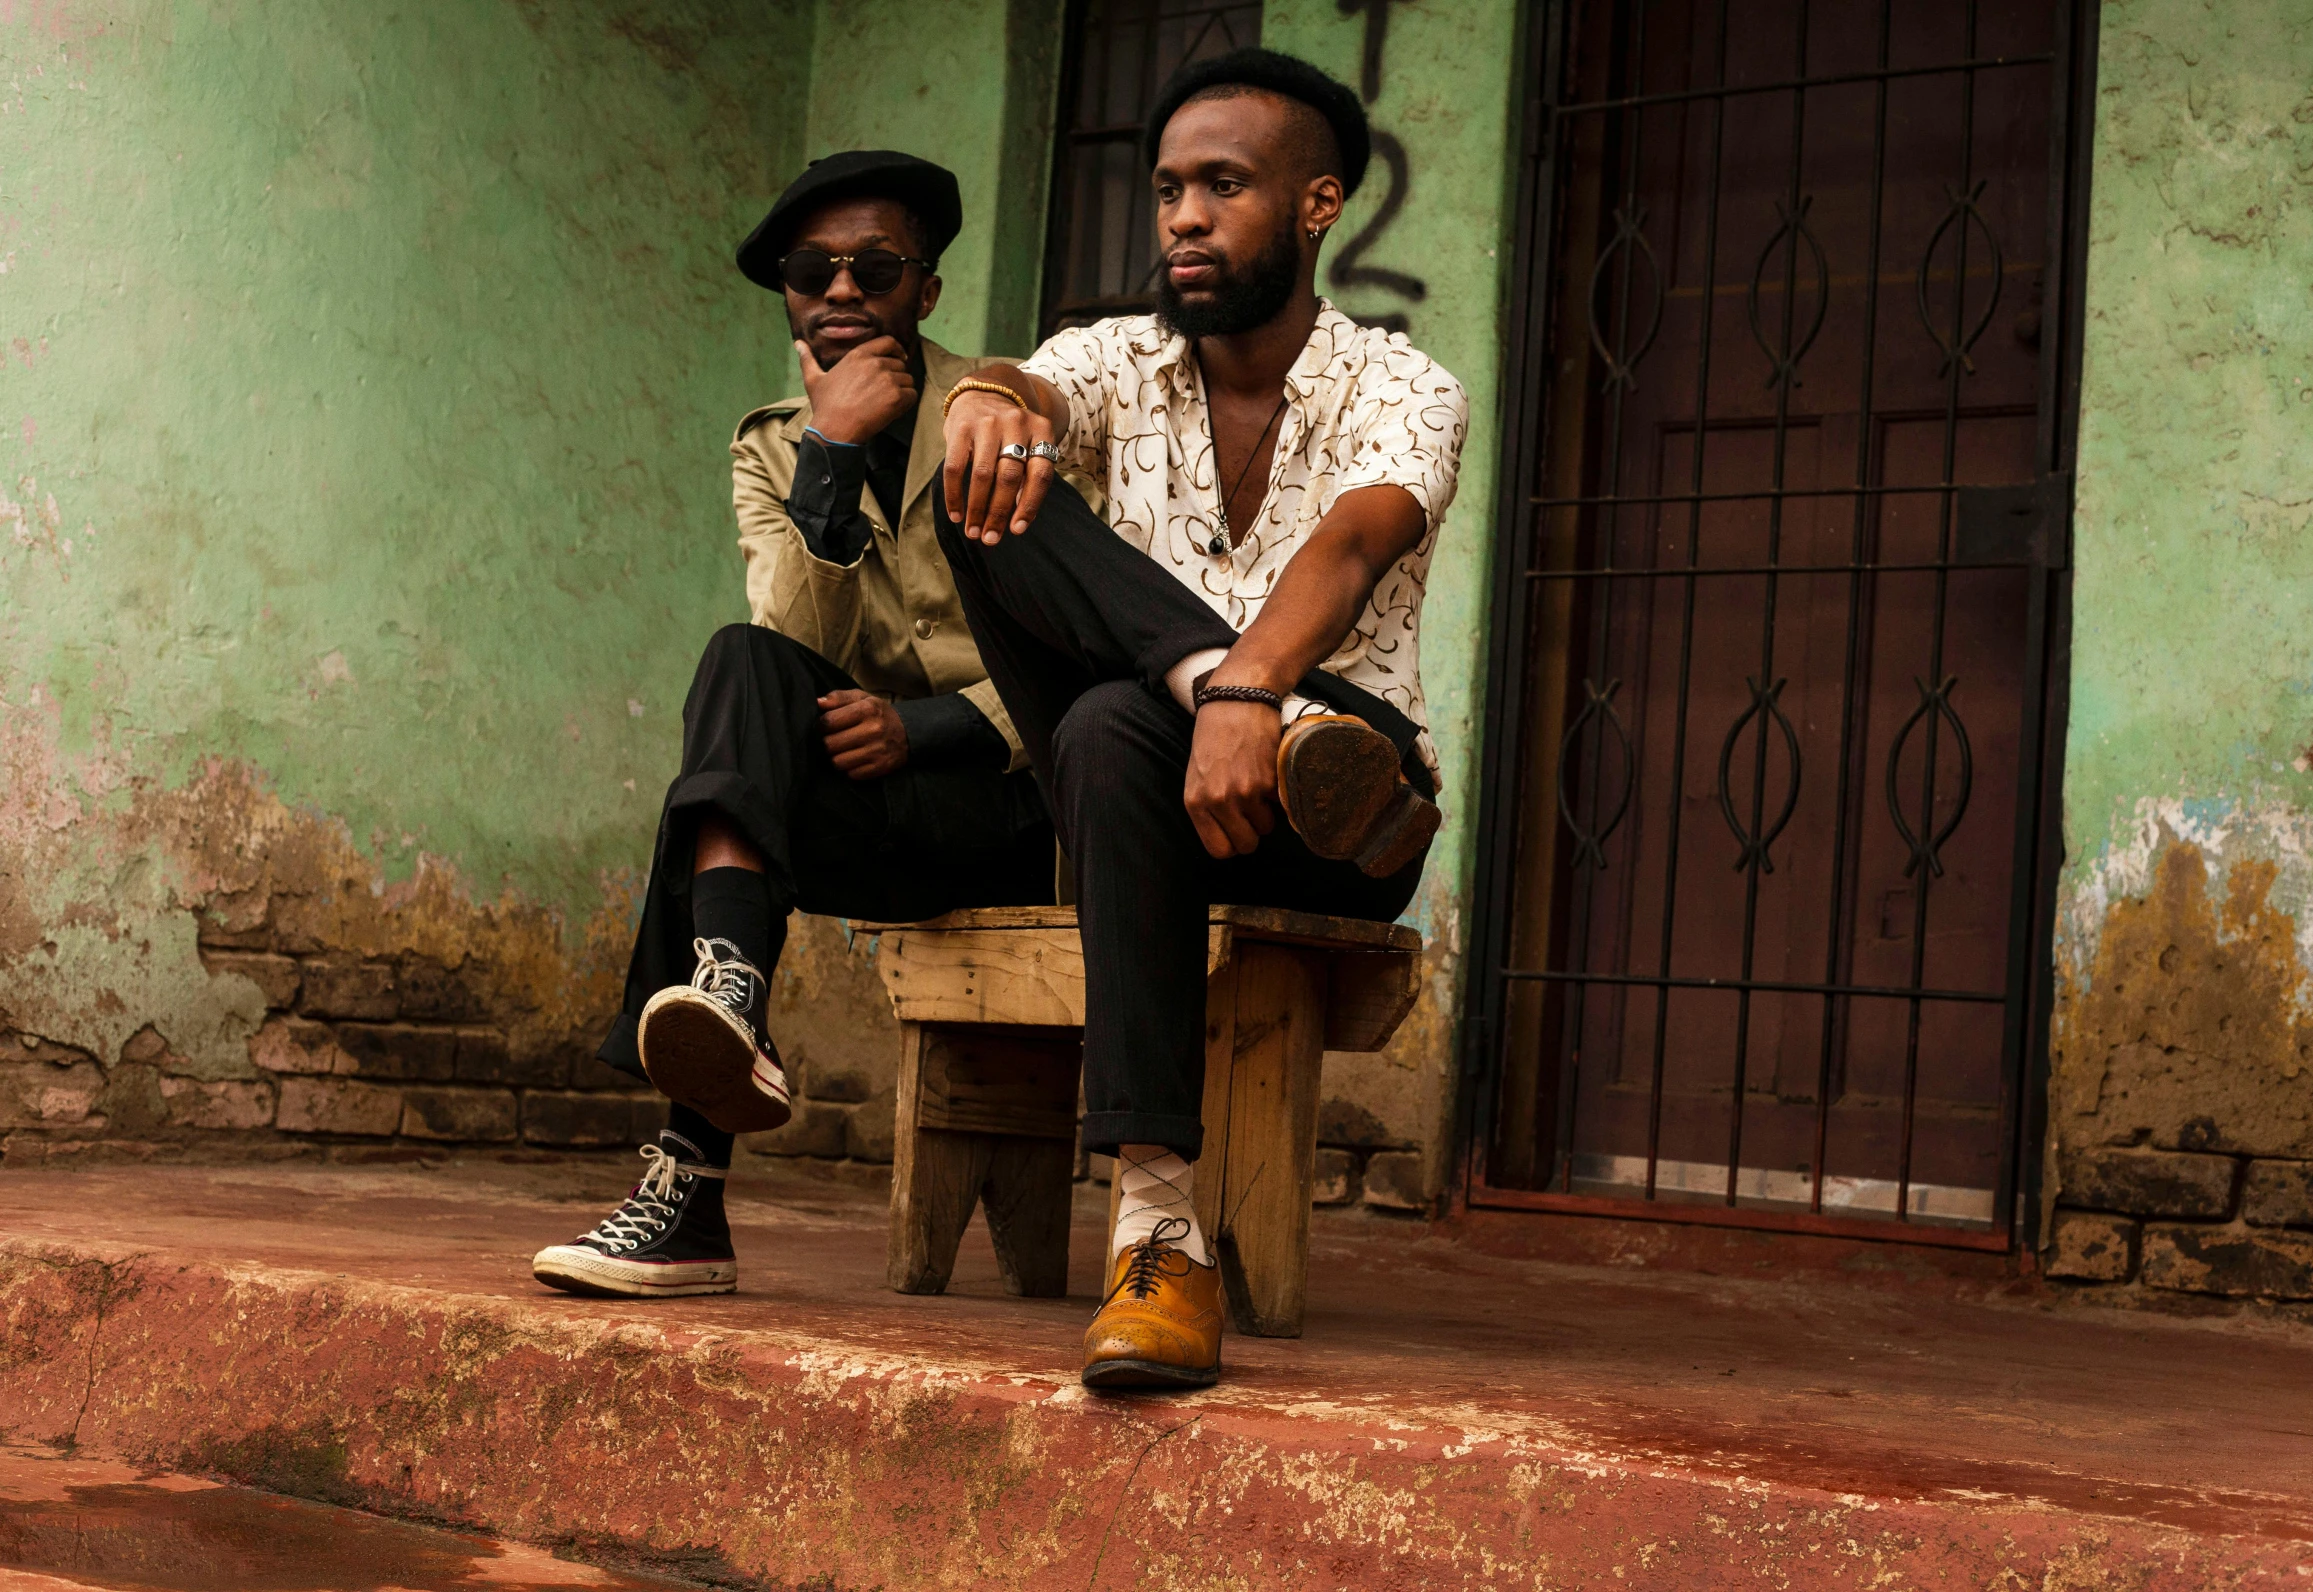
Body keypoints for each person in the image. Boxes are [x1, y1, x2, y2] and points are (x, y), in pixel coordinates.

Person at [936, 48, 1467, 1389]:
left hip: (1343, 804)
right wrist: (991, 391)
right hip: (1156, 756)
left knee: (1119, 722)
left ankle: (1152, 1239)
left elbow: (1351, 547)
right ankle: (1157, 1230)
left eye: (1222, 185)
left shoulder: (1404, 385)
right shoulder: (1113, 360)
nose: (1179, 214)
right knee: (990, 490)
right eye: (1167, 186)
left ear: (1318, 204)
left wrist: (1254, 696)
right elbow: (1032, 392)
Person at [532, 151, 1055, 1300]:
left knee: (724, 792)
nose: (840, 292)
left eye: (874, 266)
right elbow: (791, 640)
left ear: (925, 286)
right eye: (811, 269)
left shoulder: (1011, 411)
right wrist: (827, 454)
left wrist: (929, 726)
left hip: (1016, 803)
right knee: (737, 670)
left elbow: (1084, 650)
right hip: (877, 816)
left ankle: (687, 1183)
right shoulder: (770, 444)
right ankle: (727, 997)